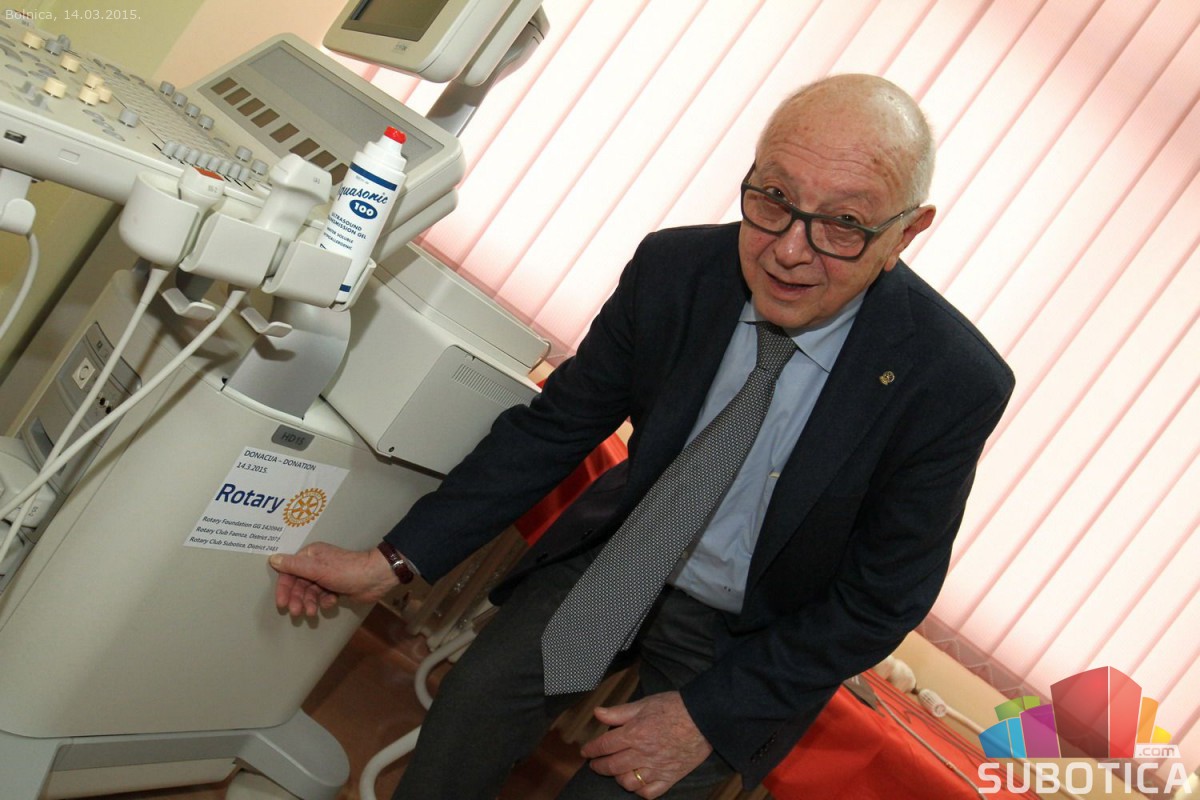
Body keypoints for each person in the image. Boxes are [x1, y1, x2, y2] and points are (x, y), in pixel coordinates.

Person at [270, 73, 1015, 799]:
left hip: (752, 636)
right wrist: (392, 562)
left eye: (844, 224)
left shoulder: (949, 381)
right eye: (774, 198)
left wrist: (707, 718)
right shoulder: (677, 271)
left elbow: (884, 597)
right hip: (625, 558)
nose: (789, 250)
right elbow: (553, 429)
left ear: (905, 233)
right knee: (471, 719)